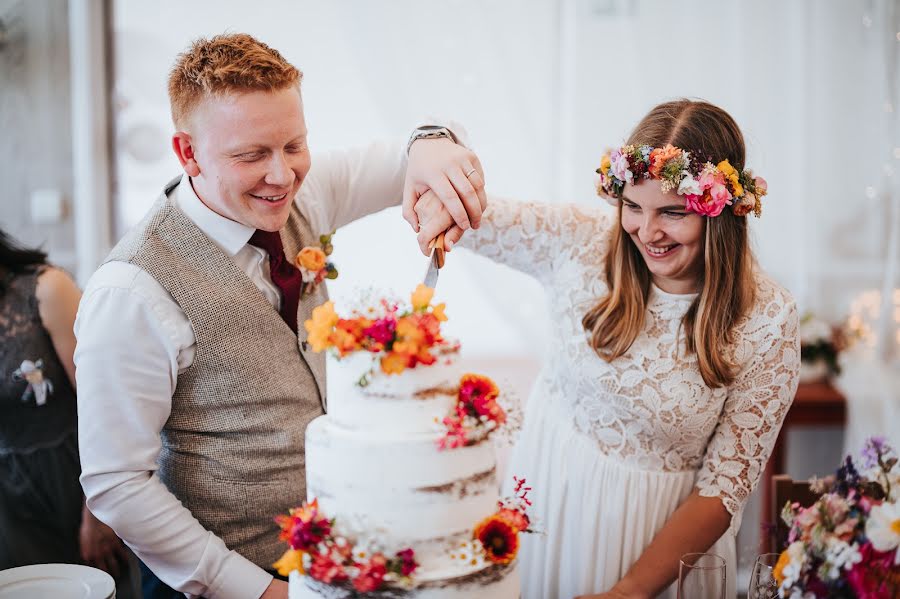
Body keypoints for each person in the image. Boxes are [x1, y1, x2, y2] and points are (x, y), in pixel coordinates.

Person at [74, 33, 486, 599]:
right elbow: (116, 484)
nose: (283, 175)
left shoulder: (301, 198)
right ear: (188, 153)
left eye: (294, 145)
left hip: (328, 553)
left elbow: (411, 153)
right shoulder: (131, 290)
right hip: (226, 581)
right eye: (251, 155)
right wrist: (261, 592)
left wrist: (436, 148)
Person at [411, 99, 801, 599]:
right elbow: (466, 213)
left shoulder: (769, 318)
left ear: (722, 212)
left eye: (673, 213)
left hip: (663, 556)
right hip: (547, 509)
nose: (647, 231)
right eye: (632, 206)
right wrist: (431, 168)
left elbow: (724, 487)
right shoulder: (579, 240)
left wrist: (631, 591)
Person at [0, 230, 128, 575]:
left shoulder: (46, 290)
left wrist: (99, 510)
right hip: (8, 503)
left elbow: (105, 403)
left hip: (74, 480)